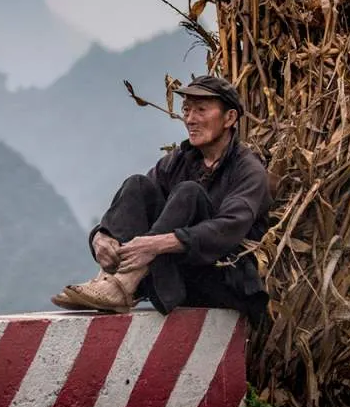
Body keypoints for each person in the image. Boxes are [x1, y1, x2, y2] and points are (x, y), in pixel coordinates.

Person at [52, 75, 272, 325]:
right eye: (187, 110)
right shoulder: (181, 159)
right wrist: (100, 237)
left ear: (229, 118)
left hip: (222, 280)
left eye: (201, 110)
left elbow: (228, 228)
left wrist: (157, 244)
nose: (190, 119)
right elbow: (139, 202)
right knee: (137, 184)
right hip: (179, 276)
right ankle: (109, 280)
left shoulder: (248, 170)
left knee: (189, 192)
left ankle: (124, 284)